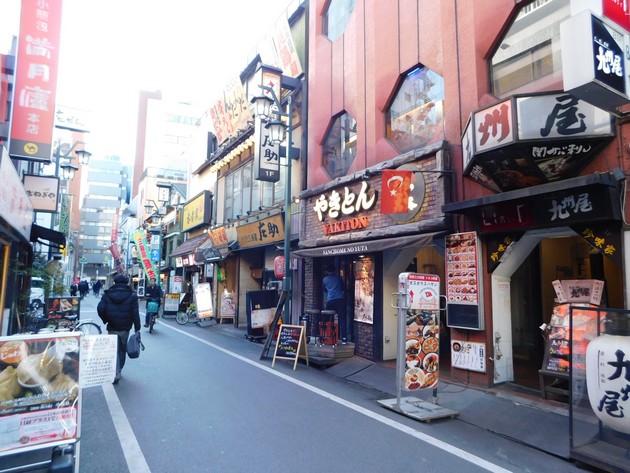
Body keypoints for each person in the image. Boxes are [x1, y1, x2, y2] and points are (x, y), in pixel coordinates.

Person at [97, 274, 141, 384]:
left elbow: (100, 309)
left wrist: (105, 319)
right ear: (127, 282)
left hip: (112, 326)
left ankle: (113, 371)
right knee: (122, 349)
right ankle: (118, 370)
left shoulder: (107, 294)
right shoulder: (132, 295)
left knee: (112, 349)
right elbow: (135, 313)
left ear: (115, 282)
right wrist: (137, 328)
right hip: (125, 327)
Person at [323, 264, 348, 344]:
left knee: (326, 318)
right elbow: (343, 288)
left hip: (330, 300)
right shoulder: (338, 278)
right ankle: (344, 338)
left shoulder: (325, 279)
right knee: (342, 319)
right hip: (340, 299)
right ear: (335, 270)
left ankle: (323, 335)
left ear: (327, 271)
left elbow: (325, 290)